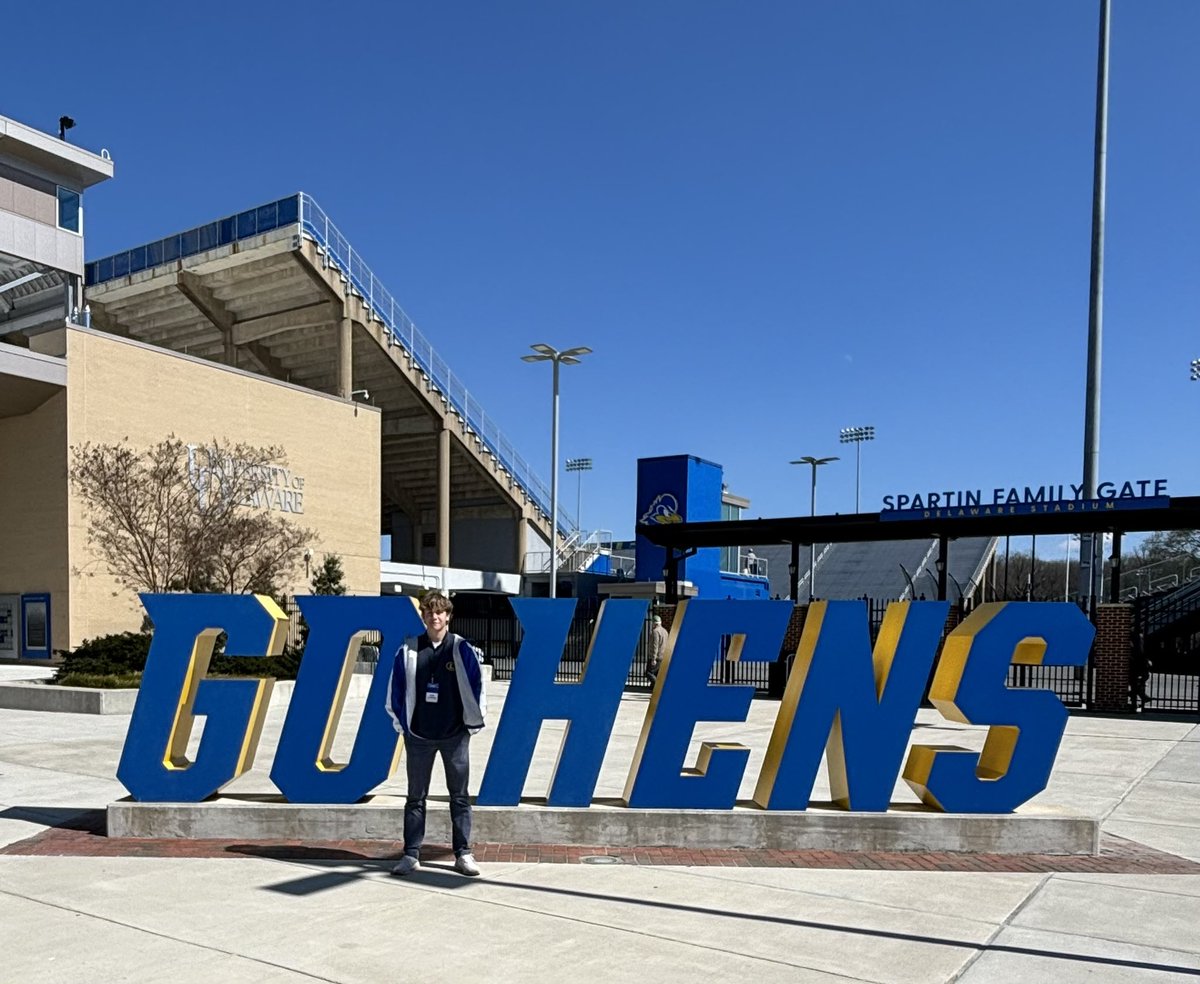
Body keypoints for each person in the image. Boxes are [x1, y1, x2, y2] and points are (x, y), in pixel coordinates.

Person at [386, 590, 486, 877]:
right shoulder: (408, 650)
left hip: (455, 735)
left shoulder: (461, 648)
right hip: (419, 737)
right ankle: (411, 854)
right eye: (429, 612)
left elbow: (478, 686)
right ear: (423, 616)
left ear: (448, 616)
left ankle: (463, 853)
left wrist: (473, 722)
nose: (435, 616)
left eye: (440, 611)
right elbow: (395, 689)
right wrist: (402, 725)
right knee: (415, 797)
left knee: (460, 796)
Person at [646, 614, 668, 690]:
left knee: (649, 673)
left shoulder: (655, 631)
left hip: (655, 656)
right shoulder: (665, 631)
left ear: (654, 623)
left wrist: (653, 658)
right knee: (656, 673)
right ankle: (653, 688)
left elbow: (655, 645)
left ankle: (658, 687)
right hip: (662, 656)